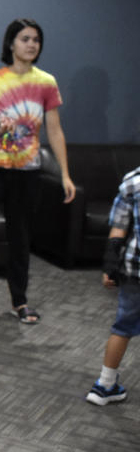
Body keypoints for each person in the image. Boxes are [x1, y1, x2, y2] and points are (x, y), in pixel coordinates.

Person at [0, 18, 76, 324]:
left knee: (21, 237)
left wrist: (65, 174)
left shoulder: (47, 82)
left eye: (36, 39)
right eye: (25, 39)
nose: (31, 44)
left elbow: (55, 130)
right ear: (11, 44)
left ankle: (19, 301)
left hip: (27, 171)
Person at [85, 167, 139, 406]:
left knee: (123, 326)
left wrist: (110, 265)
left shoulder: (133, 180)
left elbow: (118, 227)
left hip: (134, 269)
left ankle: (105, 385)